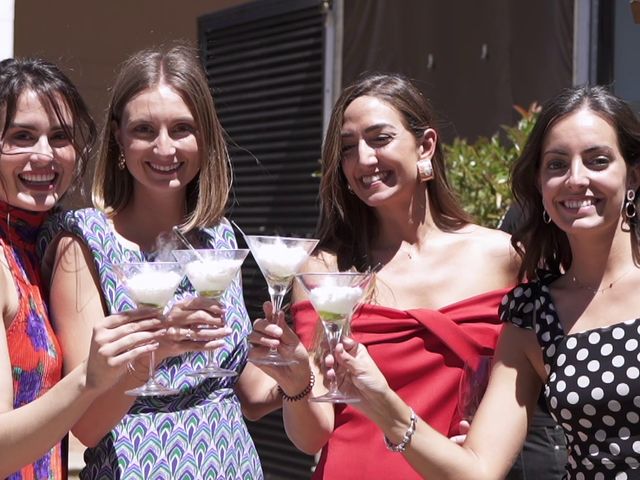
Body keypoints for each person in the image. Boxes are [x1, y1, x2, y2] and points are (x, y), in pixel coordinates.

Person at [330, 85, 640, 479]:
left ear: (632, 175)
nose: (575, 179)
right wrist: (383, 403)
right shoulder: (532, 316)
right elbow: (477, 472)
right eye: (557, 165)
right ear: (540, 184)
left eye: (597, 160)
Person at [249, 72, 519, 479]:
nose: (363, 160)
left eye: (380, 139)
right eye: (348, 149)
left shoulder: (502, 256)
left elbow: (538, 378)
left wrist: (494, 440)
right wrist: (297, 382)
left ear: (425, 145)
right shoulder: (325, 268)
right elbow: (310, 438)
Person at [39, 44, 277, 479]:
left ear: (204, 136)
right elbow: (87, 427)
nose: (164, 148)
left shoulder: (219, 237)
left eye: (182, 128)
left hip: (235, 466)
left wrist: (304, 368)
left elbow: (248, 391)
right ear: (118, 136)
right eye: (145, 129)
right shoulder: (85, 242)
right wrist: (160, 349)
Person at [0, 58, 166, 479]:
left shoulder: (34, 249)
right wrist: (89, 379)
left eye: (60, 137)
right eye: (22, 136)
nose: (45, 155)